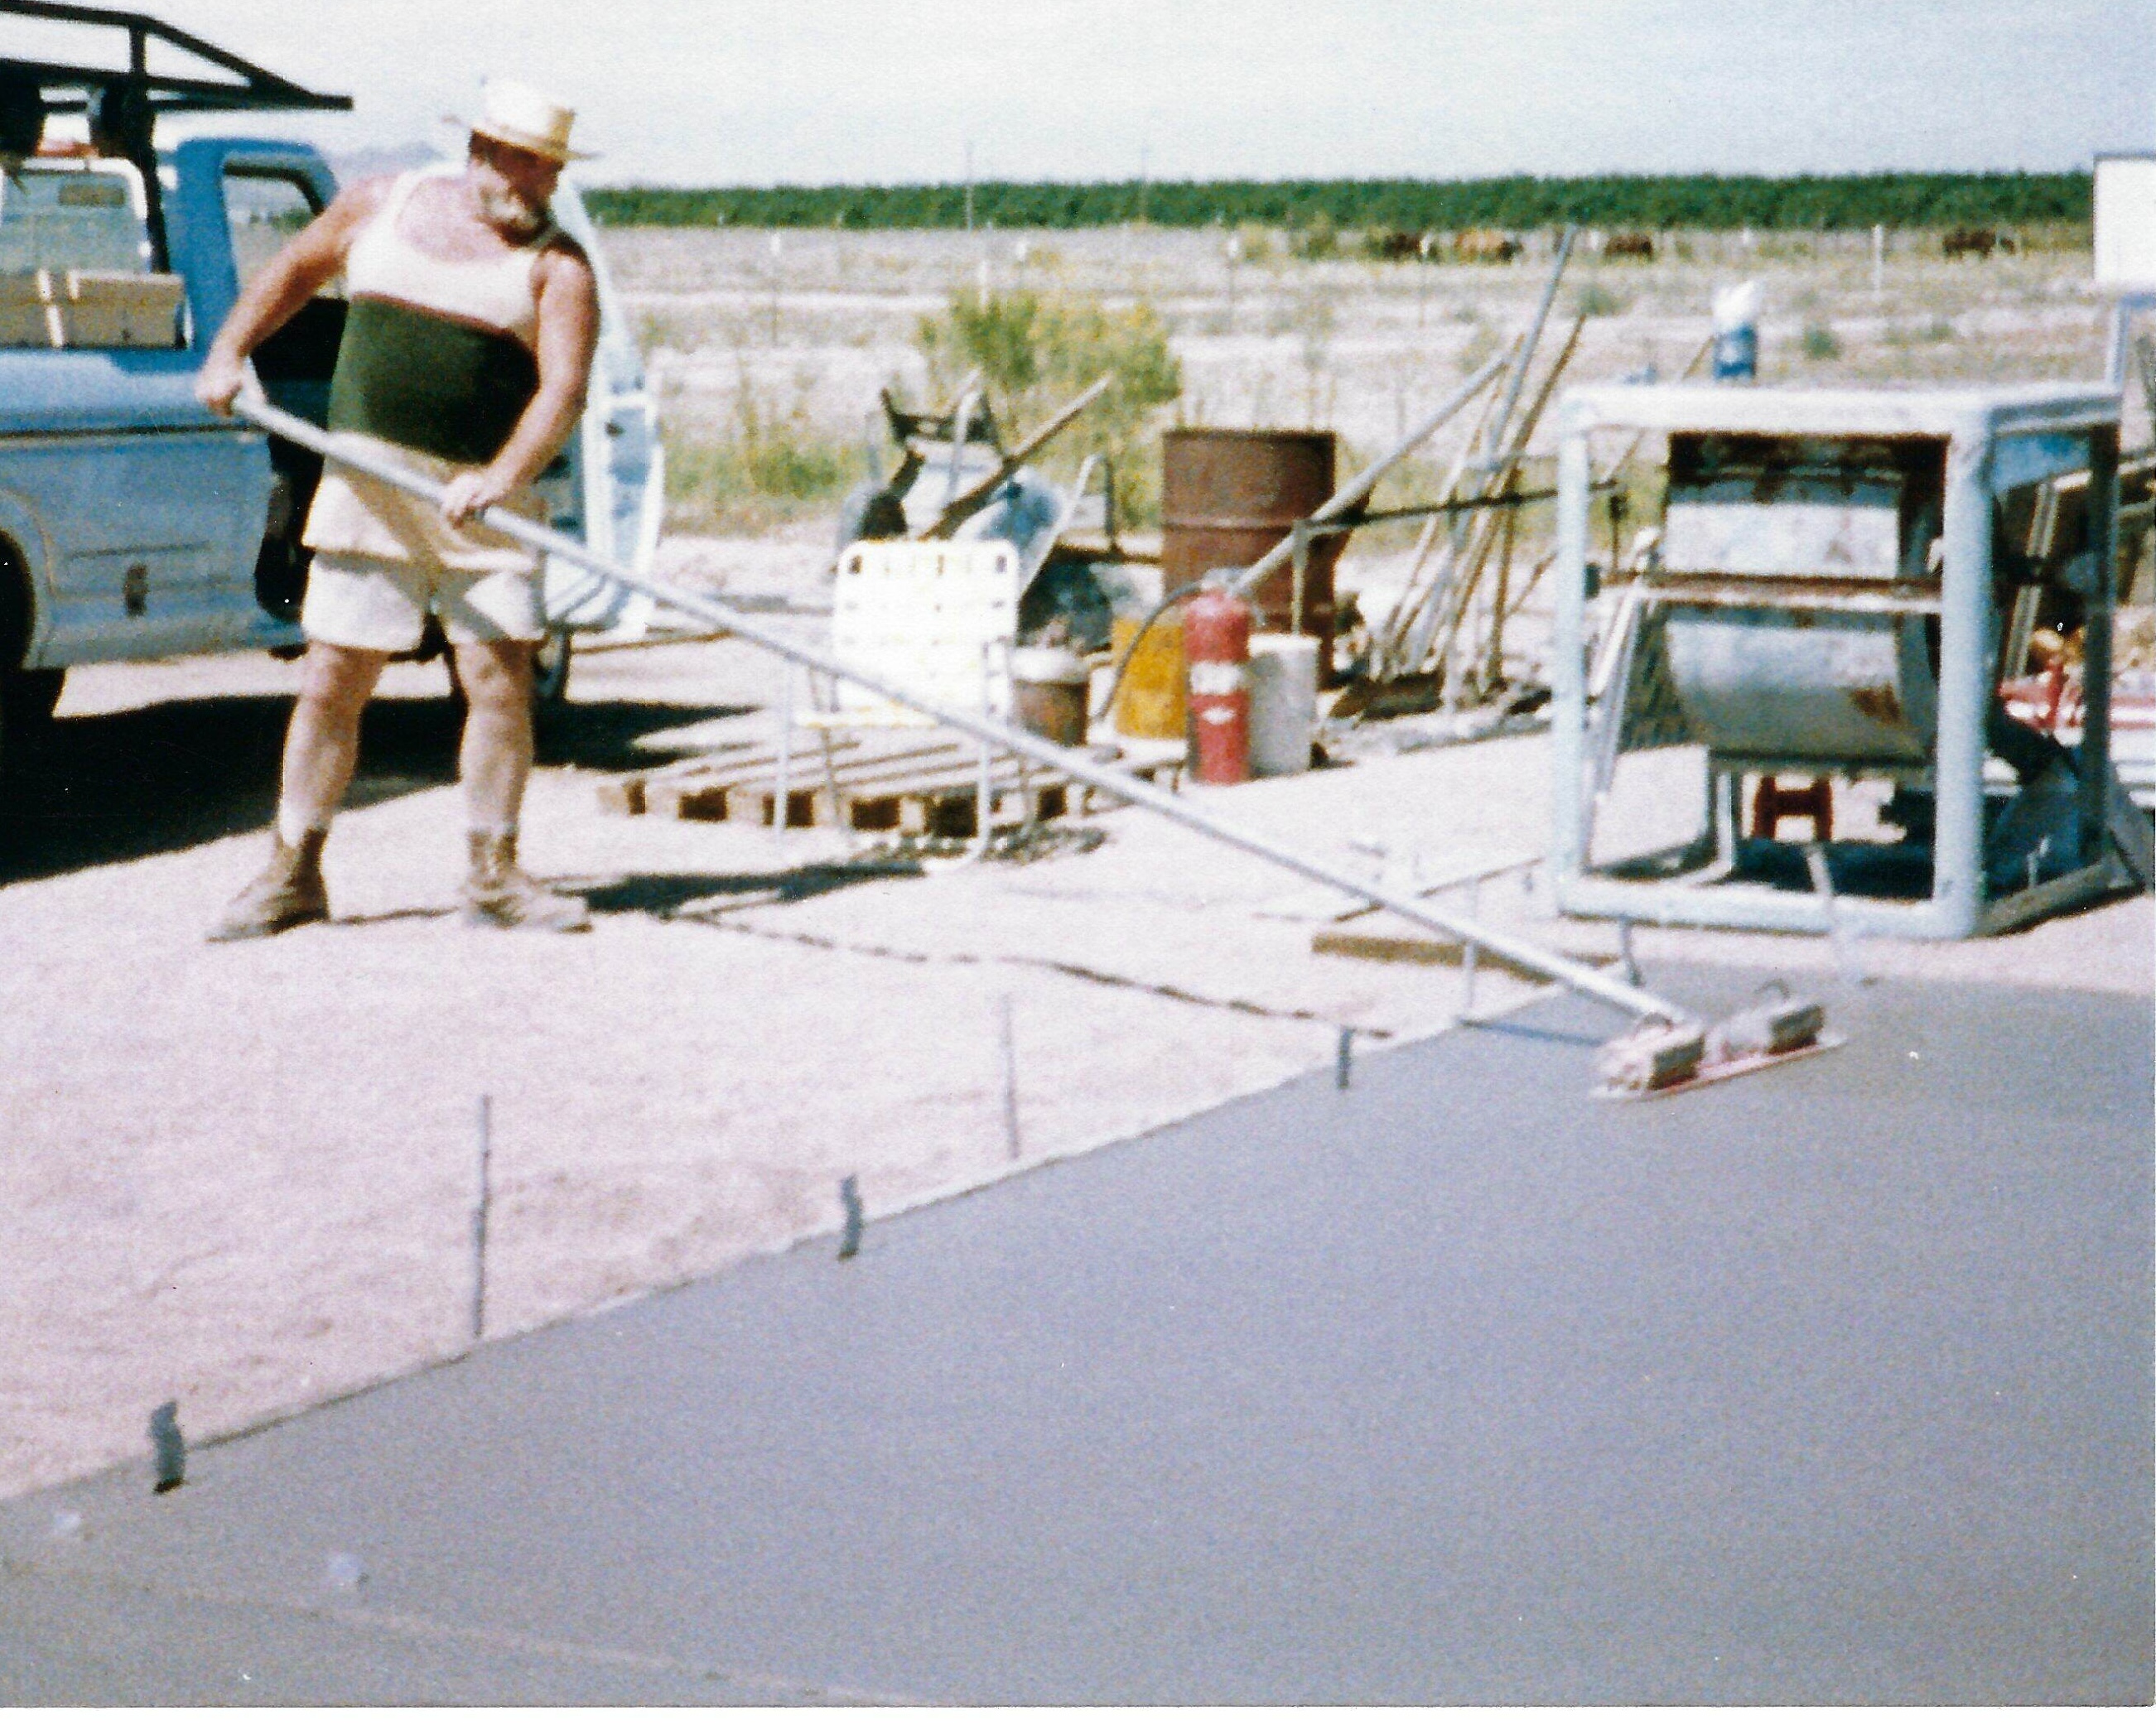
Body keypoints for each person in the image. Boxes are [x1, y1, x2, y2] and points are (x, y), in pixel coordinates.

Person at [196, 79, 600, 939]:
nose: (542, 186)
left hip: (482, 506)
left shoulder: (558, 267)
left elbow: (563, 391)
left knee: (499, 684)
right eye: (529, 165)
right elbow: (293, 272)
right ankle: (292, 871)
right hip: (366, 491)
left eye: (552, 172)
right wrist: (230, 351)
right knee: (333, 678)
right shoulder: (381, 204)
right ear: (483, 154)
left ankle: (493, 876)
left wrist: (501, 474)